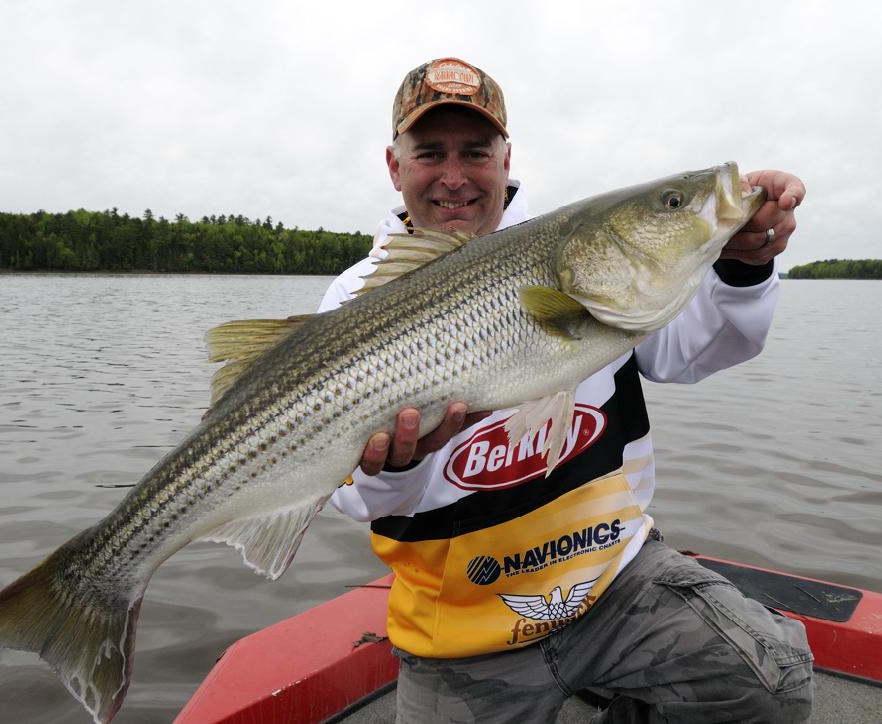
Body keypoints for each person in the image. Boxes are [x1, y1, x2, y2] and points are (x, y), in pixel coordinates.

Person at [318, 57, 812, 723]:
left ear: (506, 157)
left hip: (615, 584)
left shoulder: (581, 253)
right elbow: (356, 497)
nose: (455, 176)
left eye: (477, 151)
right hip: (461, 628)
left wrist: (744, 262)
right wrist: (394, 465)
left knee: (770, 685)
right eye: (430, 153)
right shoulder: (354, 299)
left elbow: (693, 351)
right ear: (393, 164)